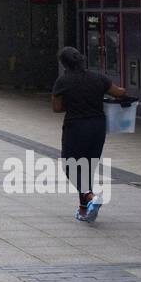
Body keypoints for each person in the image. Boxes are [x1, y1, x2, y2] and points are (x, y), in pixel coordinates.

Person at [51, 46, 129, 223]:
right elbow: (119, 93)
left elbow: (56, 108)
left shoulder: (63, 81)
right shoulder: (98, 77)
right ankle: (84, 209)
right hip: (98, 126)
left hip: (75, 127)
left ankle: (89, 196)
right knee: (87, 167)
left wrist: (72, 104)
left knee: (70, 166)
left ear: (64, 64)